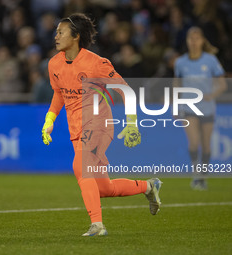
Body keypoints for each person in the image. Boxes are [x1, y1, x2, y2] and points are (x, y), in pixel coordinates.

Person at [41, 13, 162, 237]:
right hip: (76, 130)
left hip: (99, 125)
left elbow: (126, 90)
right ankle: (149, 186)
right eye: (56, 32)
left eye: (61, 32)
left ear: (75, 36)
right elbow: (59, 94)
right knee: (103, 189)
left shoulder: (96, 63)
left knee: (80, 166)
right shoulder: (54, 64)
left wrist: (132, 123)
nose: (55, 36)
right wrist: (49, 121)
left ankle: (97, 225)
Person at [174, 27, 227, 190]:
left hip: (207, 108)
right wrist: (175, 106)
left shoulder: (210, 60)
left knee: (206, 145)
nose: (194, 42)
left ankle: (203, 175)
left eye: (197, 38)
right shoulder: (180, 62)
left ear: (203, 41)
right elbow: (177, 85)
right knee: (194, 142)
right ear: (187, 41)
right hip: (188, 107)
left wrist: (212, 94)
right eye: (191, 38)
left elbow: (222, 84)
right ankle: (196, 173)